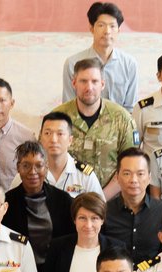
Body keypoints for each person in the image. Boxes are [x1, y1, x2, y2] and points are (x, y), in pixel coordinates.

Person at [52, 58, 138, 197]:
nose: (89, 87)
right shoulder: (57, 118)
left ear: (102, 84)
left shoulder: (122, 119)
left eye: (95, 81)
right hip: (65, 201)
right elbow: (47, 160)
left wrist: (100, 198)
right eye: (83, 81)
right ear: (74, 83)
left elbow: (130, 165)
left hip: (111, 202)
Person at [1, 140, 76, 272]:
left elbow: (71, 239)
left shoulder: (63, 200)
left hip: (56, 271)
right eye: (26, 166)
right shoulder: (7, 202)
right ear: (18, 168)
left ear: (46, 167)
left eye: (39, 165)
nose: (33, 172)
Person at [60, 1, 138, 111]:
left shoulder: (129, 64)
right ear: (91, 28)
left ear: (119, 31)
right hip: (82, 126)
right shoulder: (72, 63)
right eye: (101, 25)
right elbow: (69, 106)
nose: (107, 31)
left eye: (112, 26)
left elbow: (130, 107)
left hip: (119, 125)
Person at [102, 148, 162, 263]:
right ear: (117, 177)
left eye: (140, 174)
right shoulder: (104, 212)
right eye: (127, 173)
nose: (133, 180)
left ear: (149, 178)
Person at [40, 111, 106, 198]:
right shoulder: (32, 173)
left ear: (70, 140)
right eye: (47, 133)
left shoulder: (85, 176)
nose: (53, 140)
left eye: (60, 134)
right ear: (41, 138)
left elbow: (99, 209)